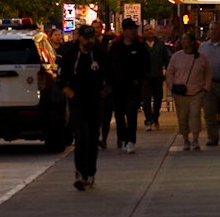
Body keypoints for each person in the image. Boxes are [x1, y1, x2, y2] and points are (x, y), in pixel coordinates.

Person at [61, 26, 106, 190]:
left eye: (91, 38)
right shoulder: (71, 56)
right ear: (79, 38)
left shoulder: (100, 55)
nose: (89, 41)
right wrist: (72, 95)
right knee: (80, 138)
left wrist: (103, 94)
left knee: (93, 139)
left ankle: (91, 172)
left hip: (95, 101)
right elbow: (62, 81)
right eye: (86, 38)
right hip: (77, 103)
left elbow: (109, 77)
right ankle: (79, 172)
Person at [107, 19, 148, 153]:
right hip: (117, 87)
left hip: (133, 87)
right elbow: (109, 65)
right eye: (130, 29)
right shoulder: (116, 47)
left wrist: (139, 79)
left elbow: (146, 64)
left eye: (135, 29)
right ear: (124, 31)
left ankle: (131, 140)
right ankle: (122, 138)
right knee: (119, 115)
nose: (133, 31)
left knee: (131, 114)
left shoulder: (140, 47)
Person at [166, 34, 211, 153]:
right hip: (180, 93)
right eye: (183, 40)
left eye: (186, 40)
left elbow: (207, 73)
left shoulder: (201, 58)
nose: (184, 42)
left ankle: (195, 138)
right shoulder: (176, 57)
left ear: (192, 42)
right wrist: (171, 86)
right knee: (182, 117)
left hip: (197, 92)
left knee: (195, 115)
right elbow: (170, 72)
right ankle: (185, 139)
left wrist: (205, 87)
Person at [142, 25, 169, 129]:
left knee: (158, 98)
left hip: (157, 75)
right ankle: (148, 119)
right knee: (146, 99)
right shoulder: (141, 45)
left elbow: (166, 59)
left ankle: (155, 118)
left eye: (151, 29)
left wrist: (166, 71)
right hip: (145, 76)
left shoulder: (160, 44)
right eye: (147, 30)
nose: (149, 31)